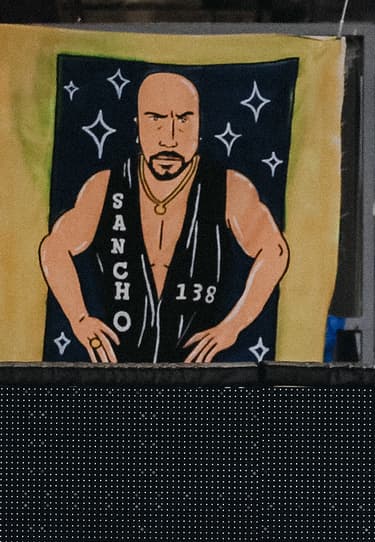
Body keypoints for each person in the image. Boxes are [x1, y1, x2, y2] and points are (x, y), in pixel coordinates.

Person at [39, 71, 290, 363]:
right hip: (118, 372)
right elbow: (54, 248)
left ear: (199, 126)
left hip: (199, 375)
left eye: (183, 120)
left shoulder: (229, 188)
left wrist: (232, 326)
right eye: (156, 119)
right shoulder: (105, 186)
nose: (169, 138)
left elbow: (275, 251)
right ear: (138, 126)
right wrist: (79, 318)